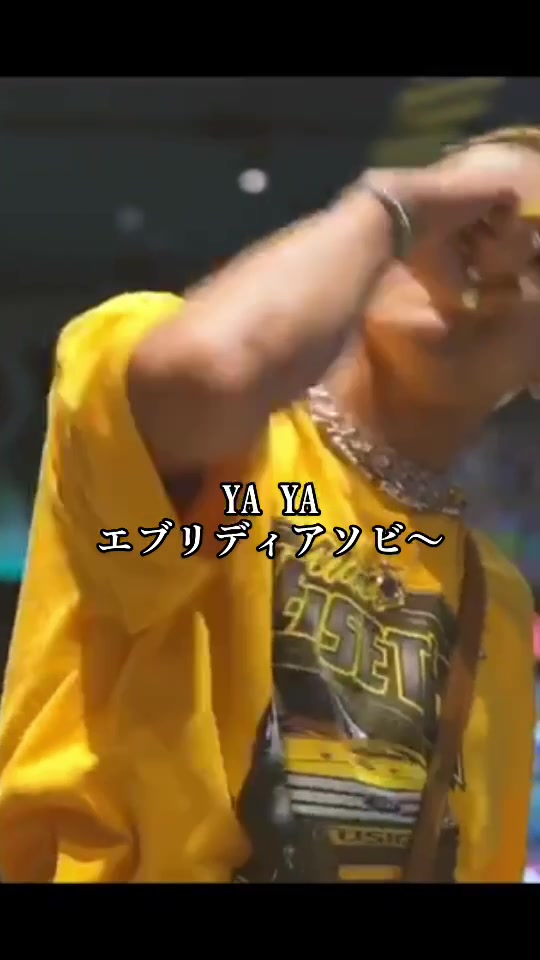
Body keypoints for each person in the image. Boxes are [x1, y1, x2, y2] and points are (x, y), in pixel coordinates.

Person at [0, 126, 538, 884]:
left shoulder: (497, 603)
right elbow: (213, 371)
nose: (492, 262)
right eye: (470, 221)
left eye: (538, 256)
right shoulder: (212, 433)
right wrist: (390, 206)